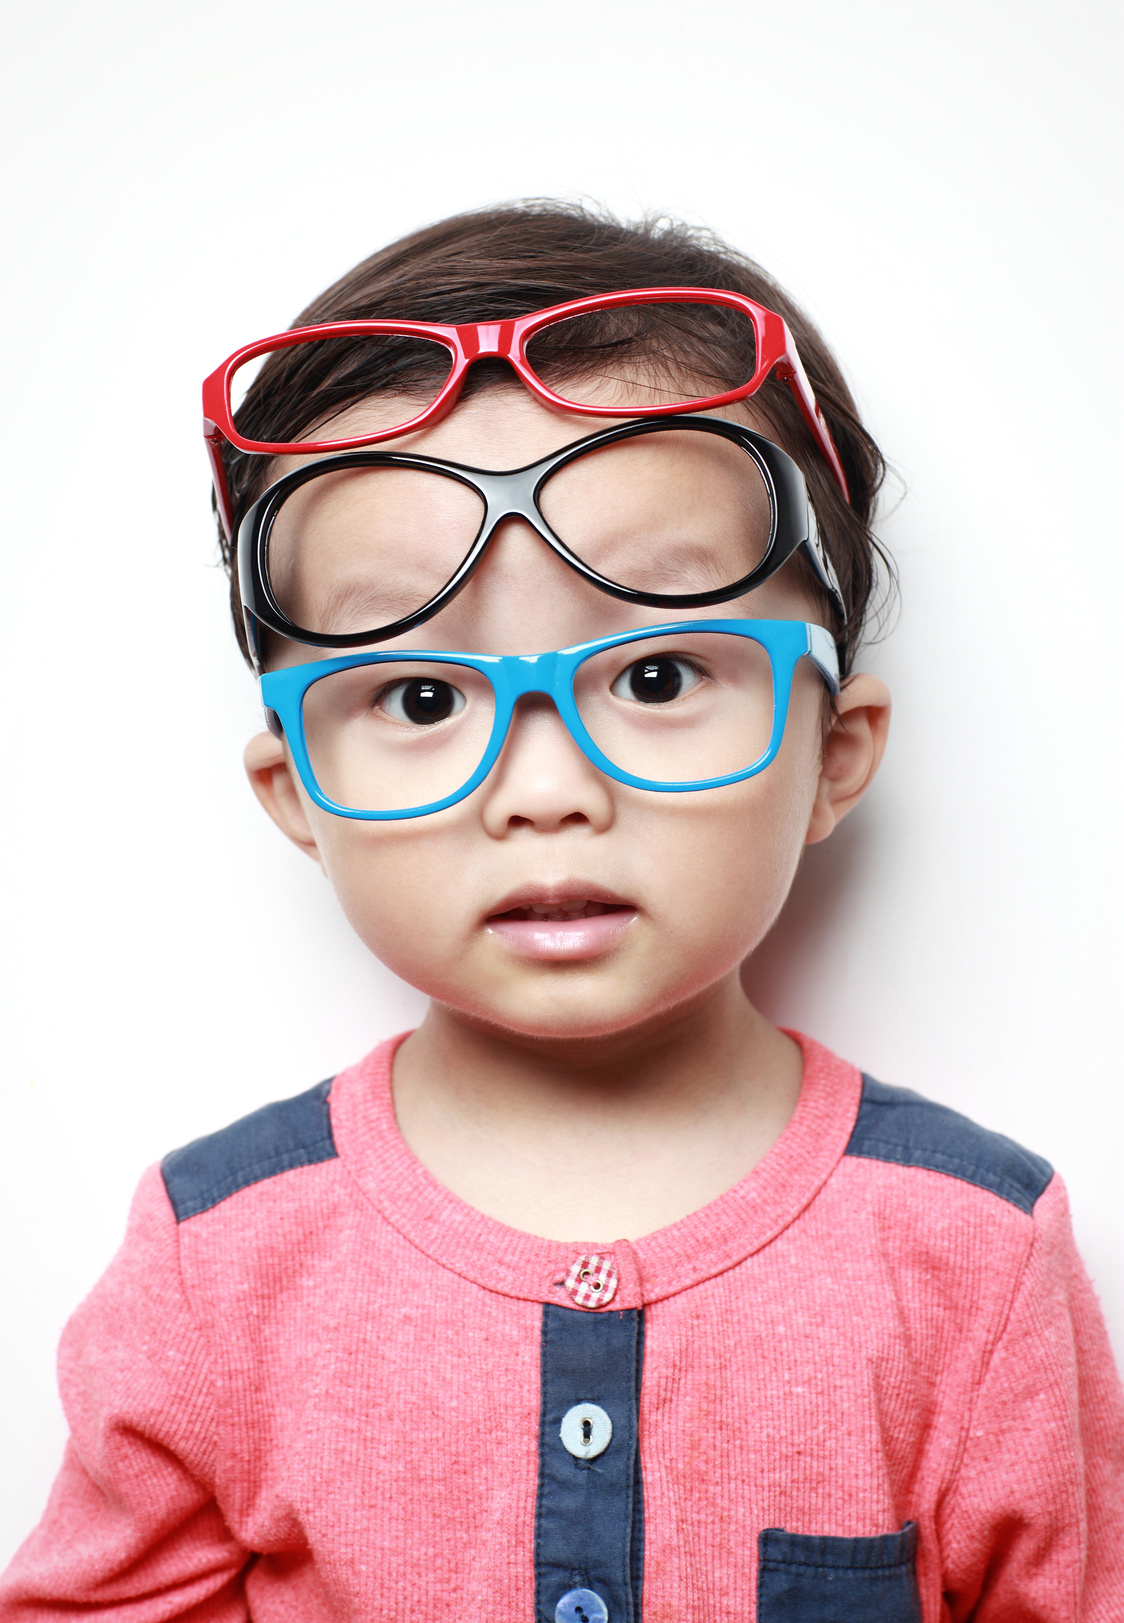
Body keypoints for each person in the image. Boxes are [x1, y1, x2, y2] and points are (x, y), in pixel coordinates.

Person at [2, 202, 1121, 1621]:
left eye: (654, 679)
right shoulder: (216, 1256)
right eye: (421, 698)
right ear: (296, 790)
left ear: (834, 754)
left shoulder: (975, 1248)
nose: (546, 789)